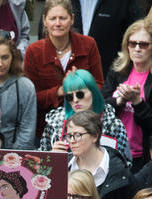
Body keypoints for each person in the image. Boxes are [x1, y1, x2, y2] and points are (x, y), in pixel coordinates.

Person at [101, 19, 152, 169]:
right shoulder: (118, 71)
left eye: (143, 44)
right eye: (132, 43)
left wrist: (138, 103)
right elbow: (100, 109)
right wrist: (119, 101)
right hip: (110, 151)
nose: (137, 48)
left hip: (142, 156)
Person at [24, 0, 103, 136]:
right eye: (53, 18)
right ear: (44, 20)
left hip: (86, 126)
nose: (58, 23)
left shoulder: (88, 44)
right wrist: (61, 91)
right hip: (47, 129)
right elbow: (31, 97)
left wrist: (80, 85)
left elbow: (99, 84)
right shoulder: (33, 51)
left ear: (72, 19)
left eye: (63, 18)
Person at [58, 110, 133, 199]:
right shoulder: (62, 166)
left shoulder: (118, 169)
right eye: (69, 136)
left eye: (77, 135)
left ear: (95, 136)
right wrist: (51, 165)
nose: (72, 141)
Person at [42, 72, 132, 168]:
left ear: (93, 93)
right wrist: (51, 156)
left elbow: (125, 164)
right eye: (70, 97)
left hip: (104, 179)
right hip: (66, 179)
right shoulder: (56, 123)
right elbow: (41, 163)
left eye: (80, 94)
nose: (75, 100)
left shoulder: (113, 125)